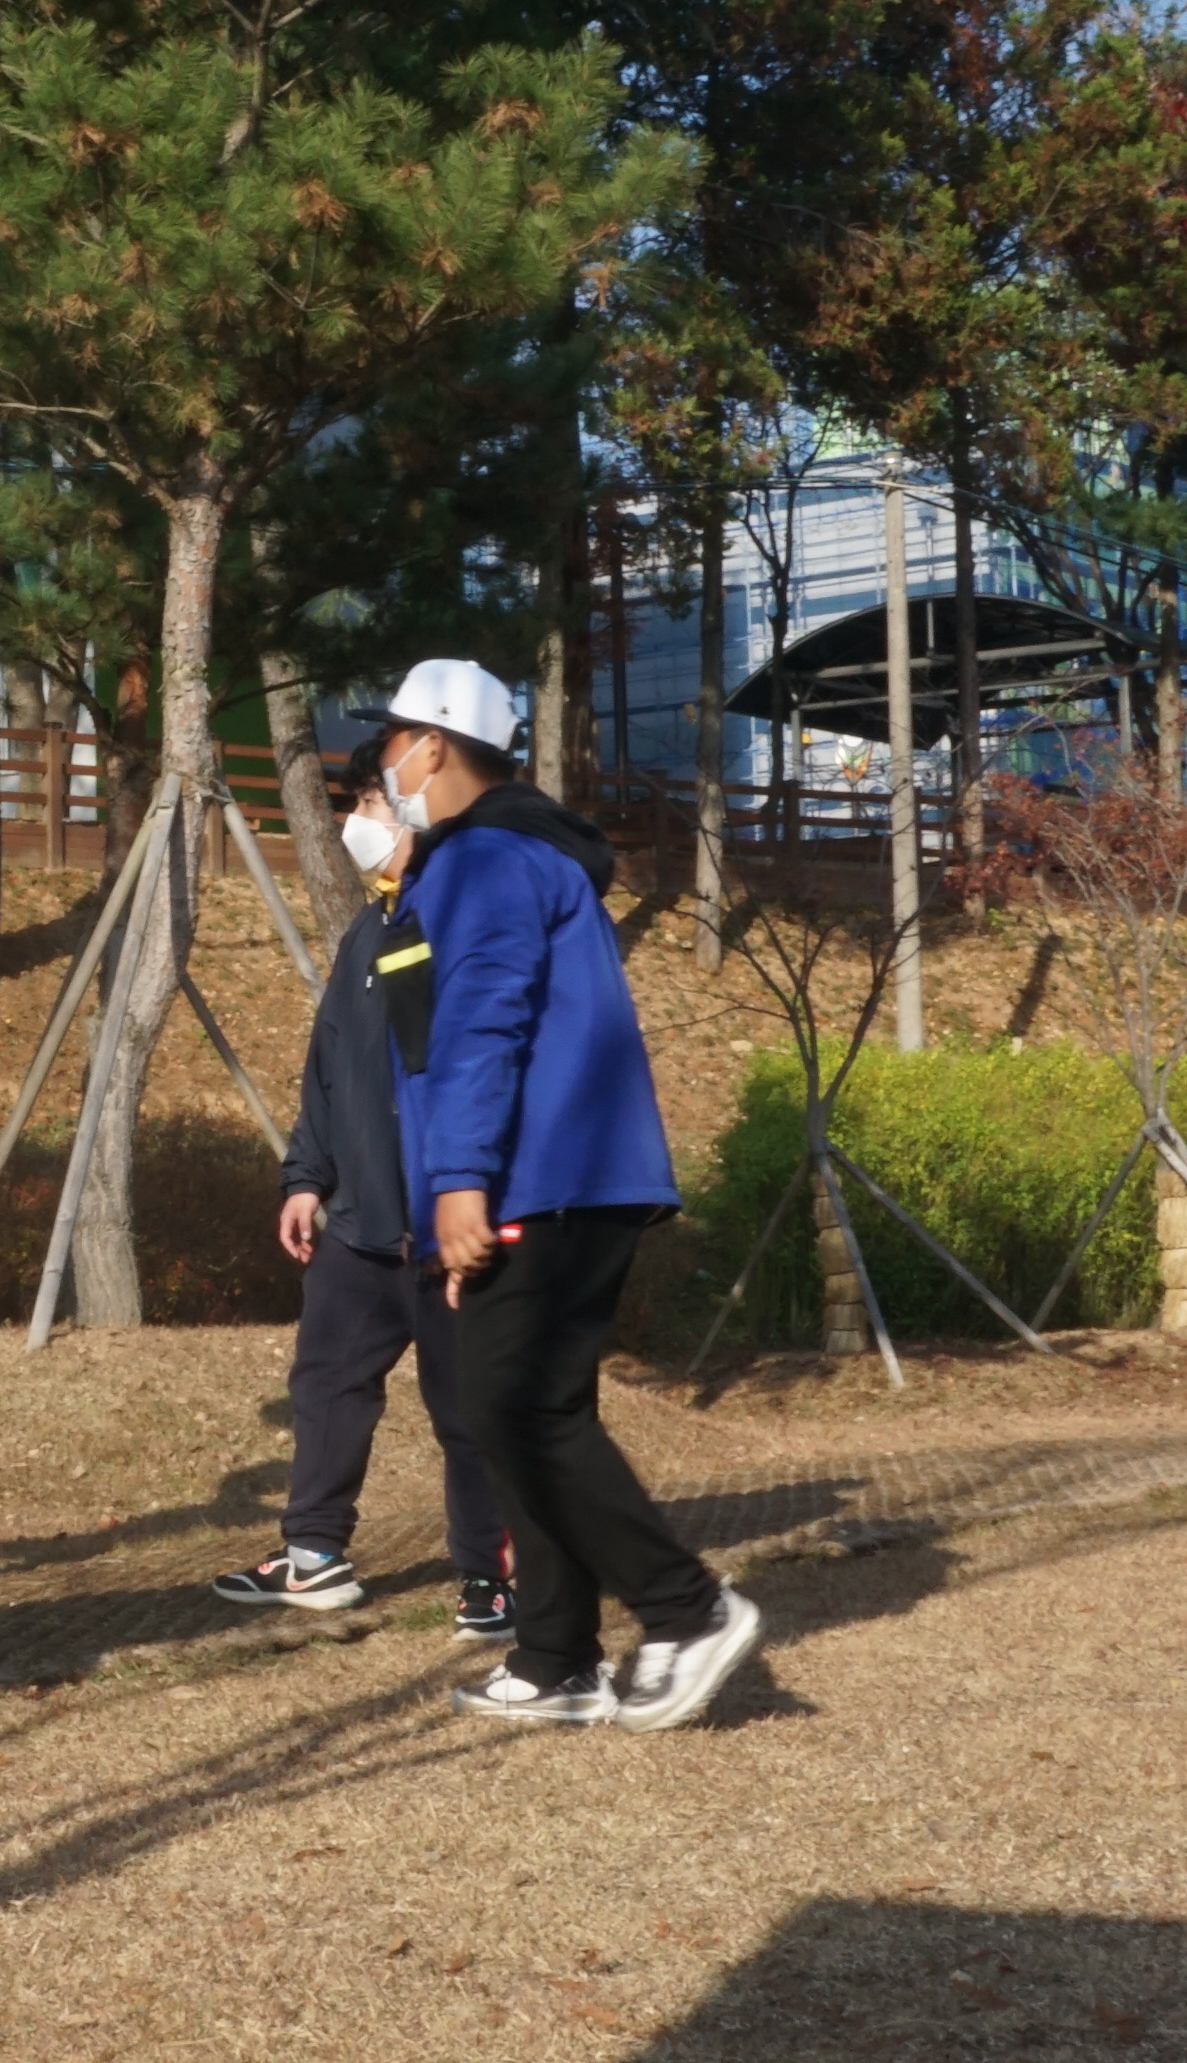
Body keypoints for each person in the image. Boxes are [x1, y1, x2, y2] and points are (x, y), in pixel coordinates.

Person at [375, 658, 761, 1731]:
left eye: (390, 740)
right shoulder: (514, 854)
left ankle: (687, 1610)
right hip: (574, 1172)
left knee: (513, 1405)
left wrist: (460, 1181)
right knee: (528, 1407)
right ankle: (555, 1658)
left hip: (538, 1174)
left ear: (432, 746)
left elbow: (480, 1024)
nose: (383, 763)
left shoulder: (484, 857)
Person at [211, 741, 514, 1638]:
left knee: (470, 1411)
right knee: (327, 1385)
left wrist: (473, 1195)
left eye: (371, 806)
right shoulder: (366, 933)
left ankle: (491, 1574)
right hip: (357, 1225)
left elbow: (484, 1070)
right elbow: (329, 1069)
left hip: (452, 1225)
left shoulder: (466, 917)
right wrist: (306, 1179)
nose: (357, 825)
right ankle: (313, 1555)